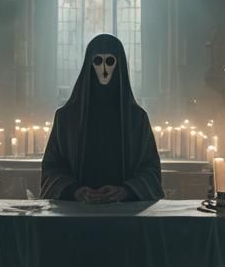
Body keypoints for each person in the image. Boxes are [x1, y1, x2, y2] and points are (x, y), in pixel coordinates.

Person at [40, 33, 162, 202]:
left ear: (119, 66)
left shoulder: (136, 118)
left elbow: (150, 169)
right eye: (98, 61)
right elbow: (52, 168)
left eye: (110, 61)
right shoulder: (67, 118)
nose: (104, 69)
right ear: (89, 64)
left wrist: (126, 191)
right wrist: (74, 191)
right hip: (75, 213)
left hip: (124, 214)